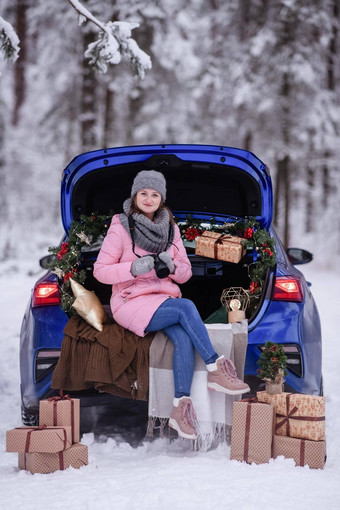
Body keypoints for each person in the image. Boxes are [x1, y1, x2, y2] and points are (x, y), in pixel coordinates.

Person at [94, 170, 250, 440]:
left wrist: (172, 266)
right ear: (135, 195)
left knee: (183, 339)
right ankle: (215, 367)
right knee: (186, 307)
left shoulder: (171, 228)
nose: (149, 198)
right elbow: (100, 271)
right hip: (129, 301)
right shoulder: (121, 226)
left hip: (161, 298)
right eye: (144, 193)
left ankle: (180, 407)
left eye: (155, 194)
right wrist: (133, 268)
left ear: (161, 199)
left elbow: (186, 274)